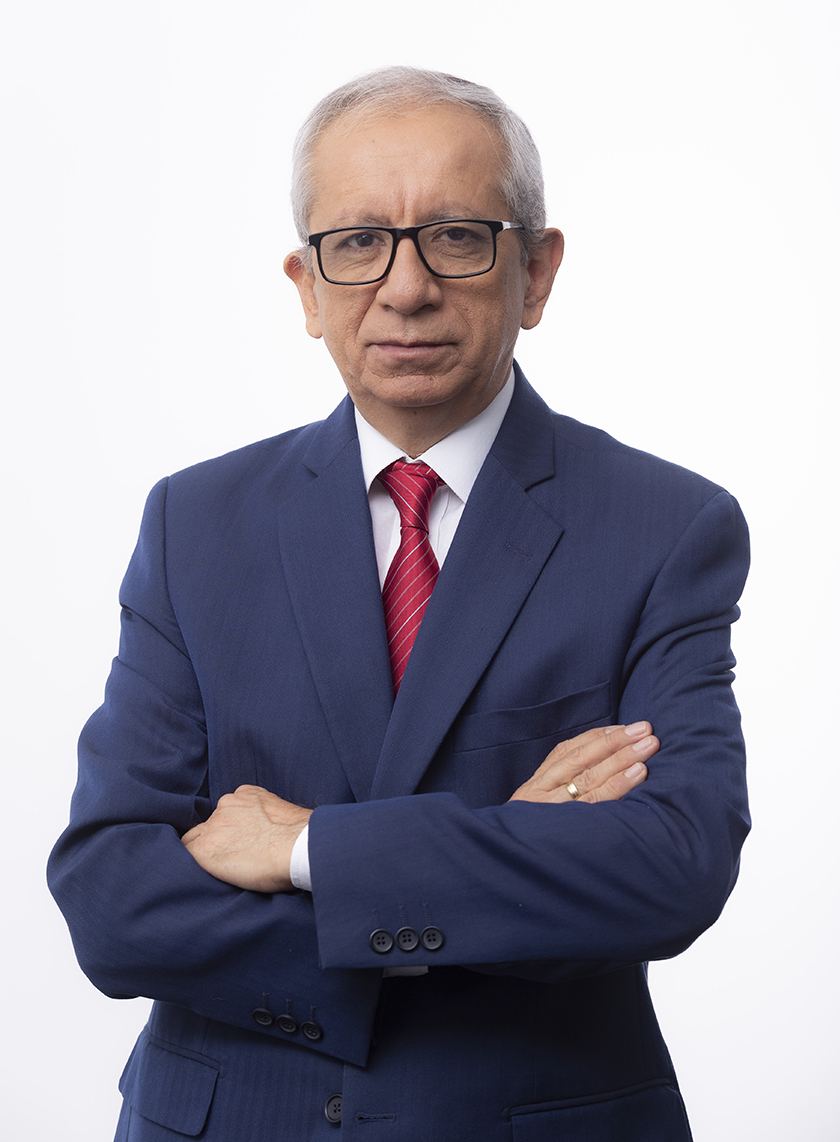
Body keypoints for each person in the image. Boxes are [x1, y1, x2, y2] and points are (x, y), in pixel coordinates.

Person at [48, 66, 750, 1141]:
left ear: (537, 272)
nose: (406, 287)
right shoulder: (197, 522)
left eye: (457, 237)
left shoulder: (665, 526)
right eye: (359, 242)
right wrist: (496, 863)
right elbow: (110, 898)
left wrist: (306, 851)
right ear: (306, 284)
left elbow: (670, 866)